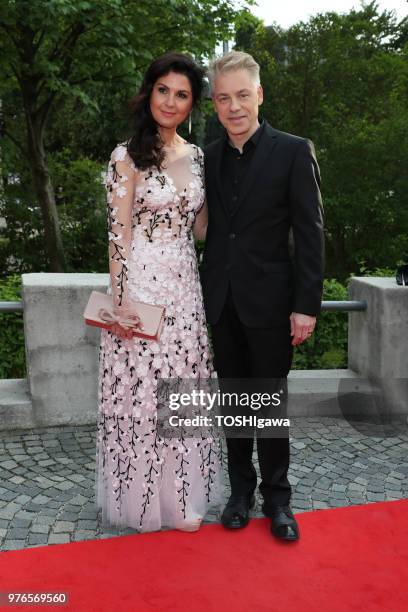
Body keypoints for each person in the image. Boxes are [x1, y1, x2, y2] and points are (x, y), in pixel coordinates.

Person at [201, 51, 325, 541]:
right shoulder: (206, 156)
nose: (235, 107)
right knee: (234, 403)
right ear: (215, 104)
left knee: (269, 404)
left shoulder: (294, 151)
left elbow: (310, 232)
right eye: (224, 98)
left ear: (260, 95)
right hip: (221, 301)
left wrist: (306, 305)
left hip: (274, 305)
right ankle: (238, 494)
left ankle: (279, 501)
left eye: (243, 96)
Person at [95, 52, 221, 534]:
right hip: (141, 290)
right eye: (163, 90)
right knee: (143, 397)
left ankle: (182, 499)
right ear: (149, 93)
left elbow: (204, 227)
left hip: (186, 291)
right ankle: (143, 502)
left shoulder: (199, 155)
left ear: (192, 104)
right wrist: (122, 303)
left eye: (182, 94)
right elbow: (117, 236)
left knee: (182, 394)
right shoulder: (125, 156)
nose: (170, 101)